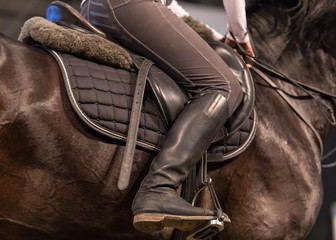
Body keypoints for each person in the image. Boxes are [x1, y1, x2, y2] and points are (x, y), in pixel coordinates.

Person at [80, 0, 254, 232]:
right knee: (225, 86)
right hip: (129, 5)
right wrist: (239, 34)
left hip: (96, 8)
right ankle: (159, 188)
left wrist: (216, 38)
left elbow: (167, 6)